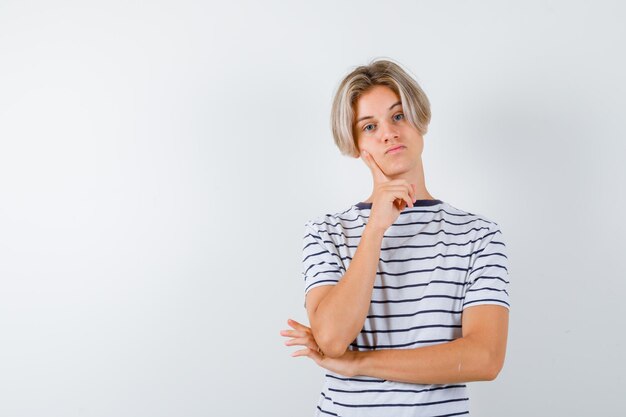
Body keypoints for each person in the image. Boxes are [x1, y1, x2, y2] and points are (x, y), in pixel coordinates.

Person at [280, 58, 510, 417]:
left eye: (398, 116)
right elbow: (332, 339)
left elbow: (485, 359)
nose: (388, 132)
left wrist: (359, 364)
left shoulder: (479, 236)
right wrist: (374, 229)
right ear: (355, 144)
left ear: (420, 120)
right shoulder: (326, 232)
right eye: (369, 126)